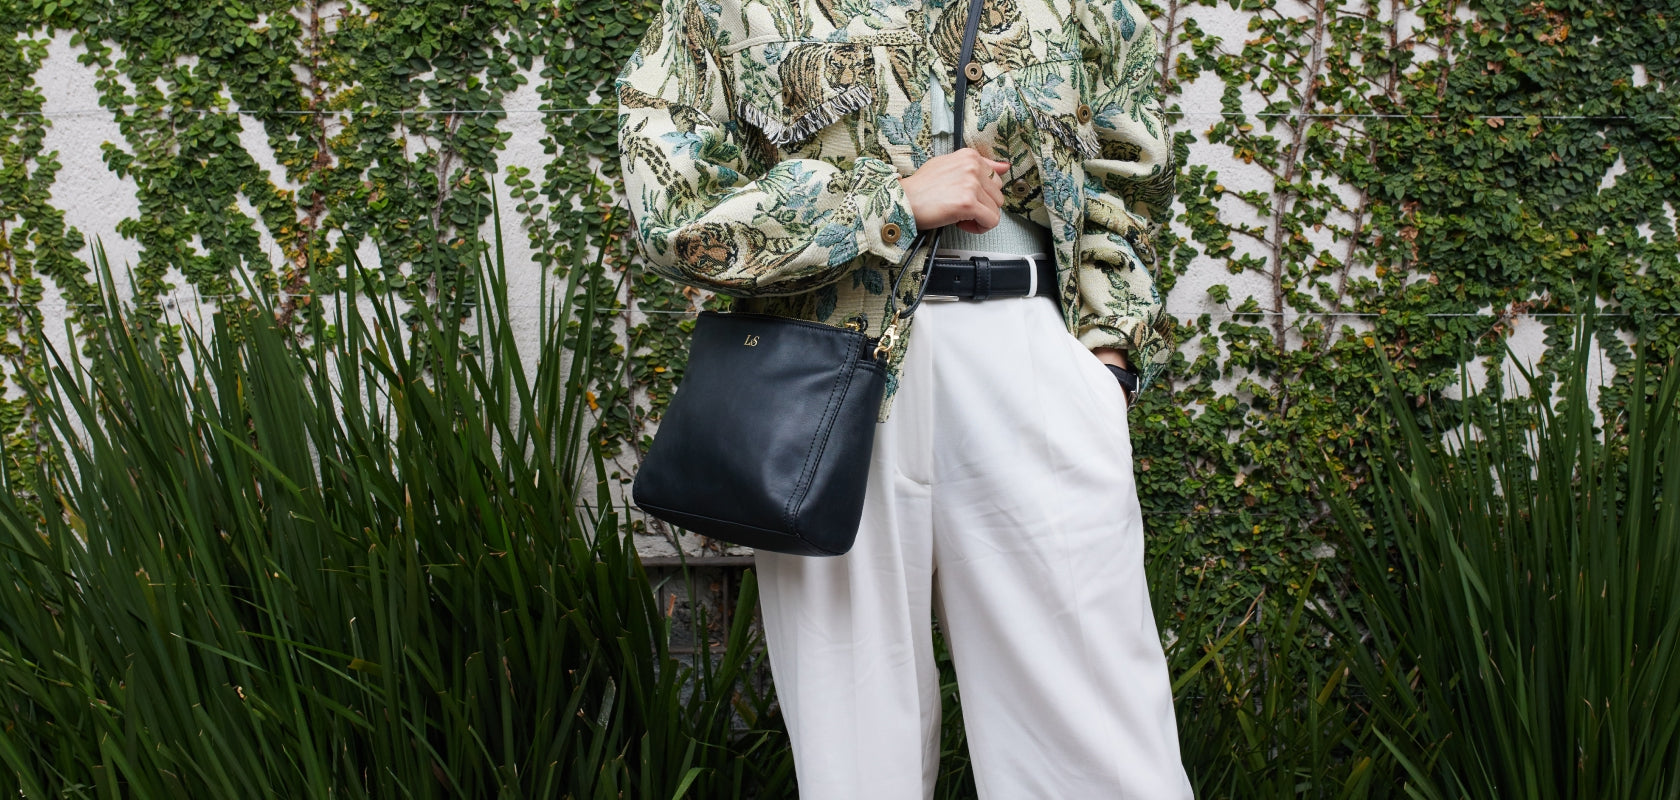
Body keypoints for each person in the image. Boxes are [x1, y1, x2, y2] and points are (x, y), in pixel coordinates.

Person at [616, 0, 1192, 795]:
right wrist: (886, 203)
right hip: (823, 376)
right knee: (854, 744)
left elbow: (1134, 176)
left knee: (1099, 738)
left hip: (1028, 356)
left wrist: (1109, 358)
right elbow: (672, 210)